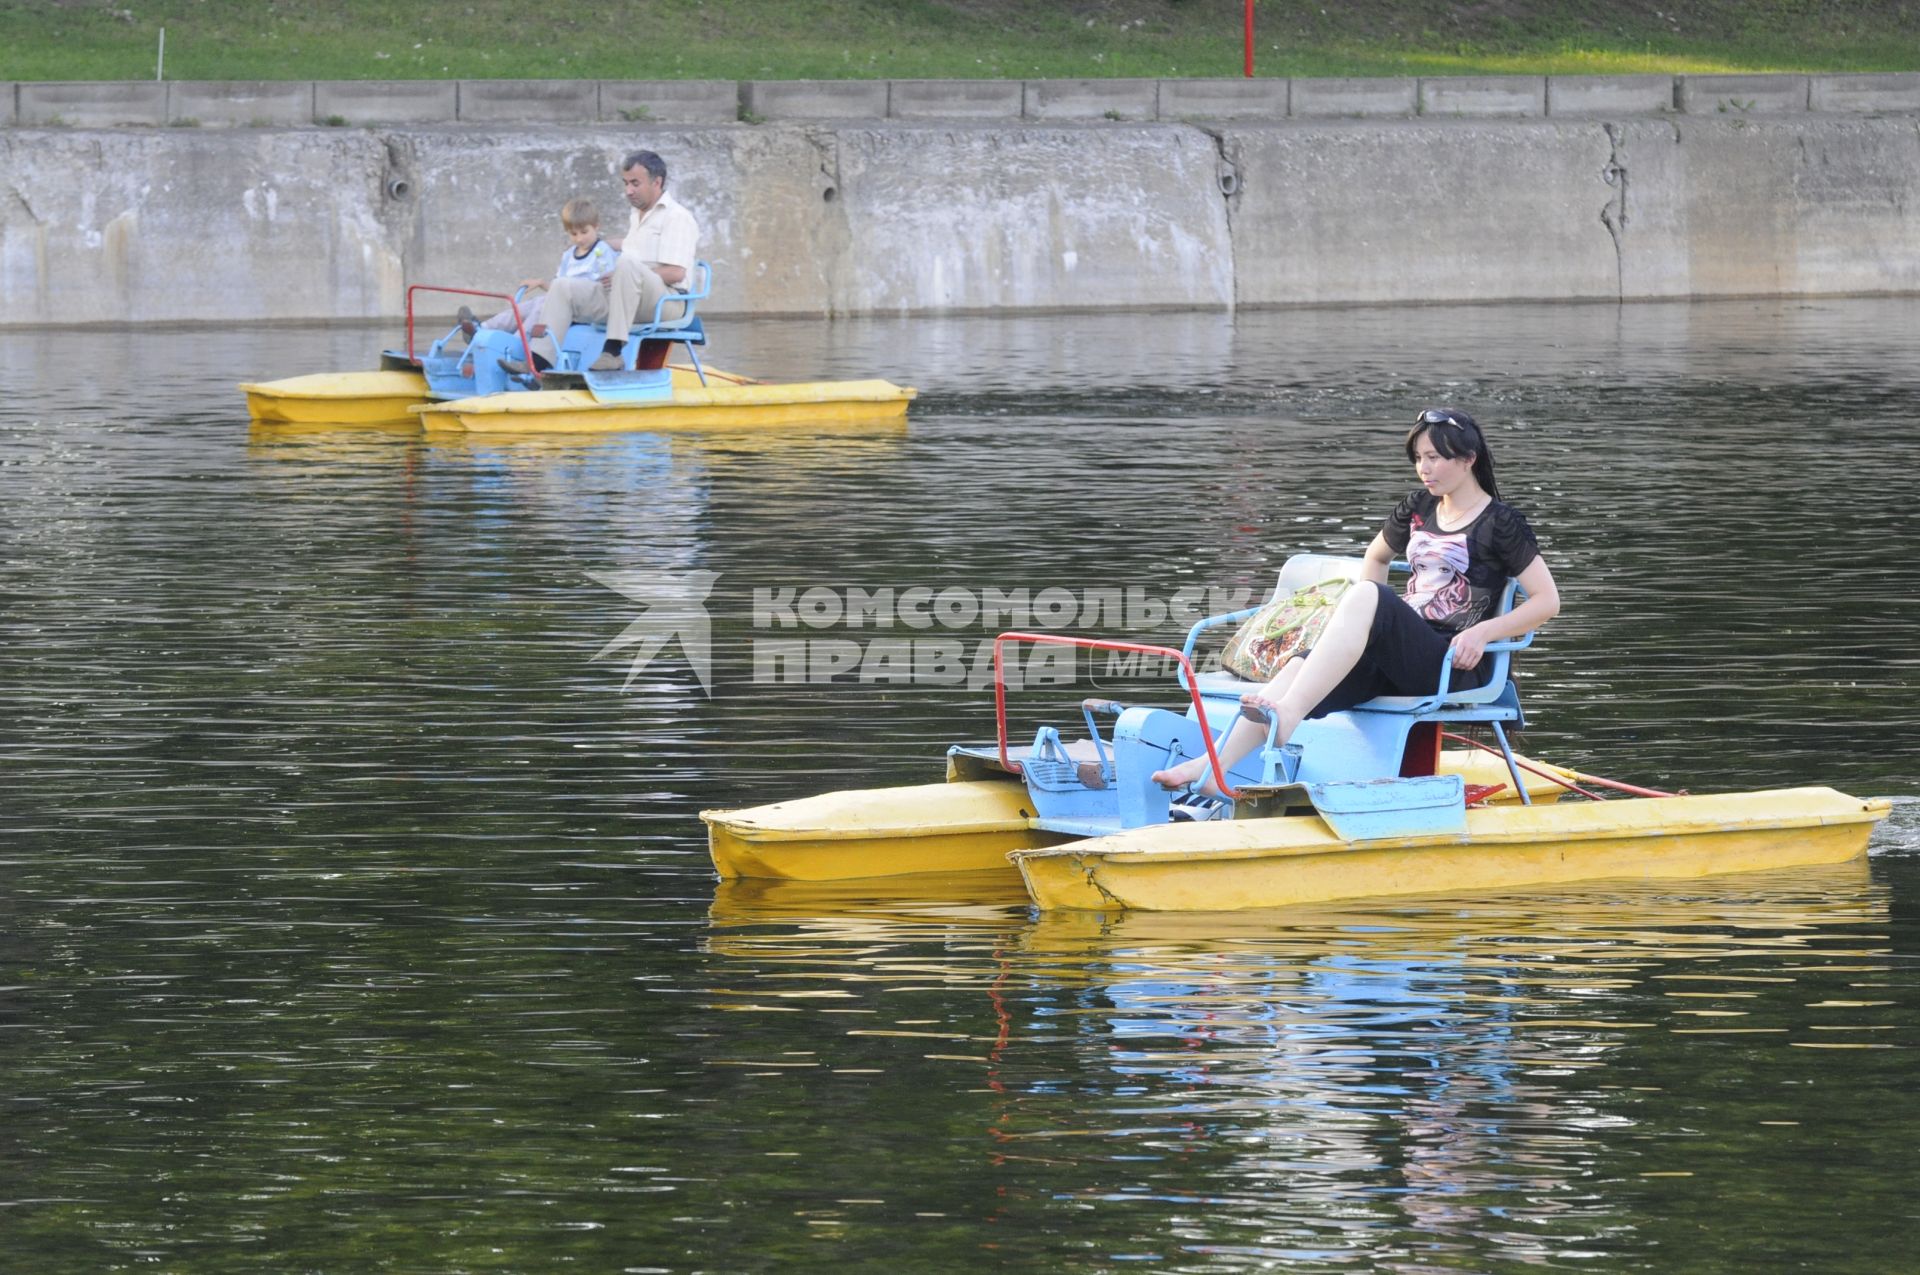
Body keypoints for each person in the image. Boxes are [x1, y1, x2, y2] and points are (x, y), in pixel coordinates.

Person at [1152, 408, 1561, 797]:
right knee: (1300, 666)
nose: (1424, 468)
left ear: (1468, 459)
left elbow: (1547, 601)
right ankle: (1209, 770)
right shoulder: (1418, 507)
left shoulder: (1501, 523)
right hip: (1400, 654)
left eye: (1435, 457)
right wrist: (1369, 625)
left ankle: (1287, 716)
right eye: (1419, 458)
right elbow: (1376, 557)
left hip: (1449, 663)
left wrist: (1484, 631)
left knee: (1368, 595)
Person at [501, 149, 699, 376]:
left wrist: (627, 273)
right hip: (625, 296)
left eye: (635, 183)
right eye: (625, 183)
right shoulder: (637, 214)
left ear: (657, 182)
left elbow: (676, 273)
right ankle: (538, 364)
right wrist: (596, 243)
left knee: (626, 264)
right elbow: (630, 246)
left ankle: (613, 353)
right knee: (563, 286)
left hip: (666, 302)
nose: (628, 191)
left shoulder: (677, 217)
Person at [459, 197, 616, 342]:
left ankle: (517, 343)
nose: (579, 238)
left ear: (596, 227)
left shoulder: (602, 252)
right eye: (573, 234)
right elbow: (558, 290)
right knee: (532, 304)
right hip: (566, 303)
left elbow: (606, 289)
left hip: (588, 308)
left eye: (584, 232)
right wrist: (541, 283)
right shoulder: (569, 255)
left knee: (542, 306)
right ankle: (482, 329)